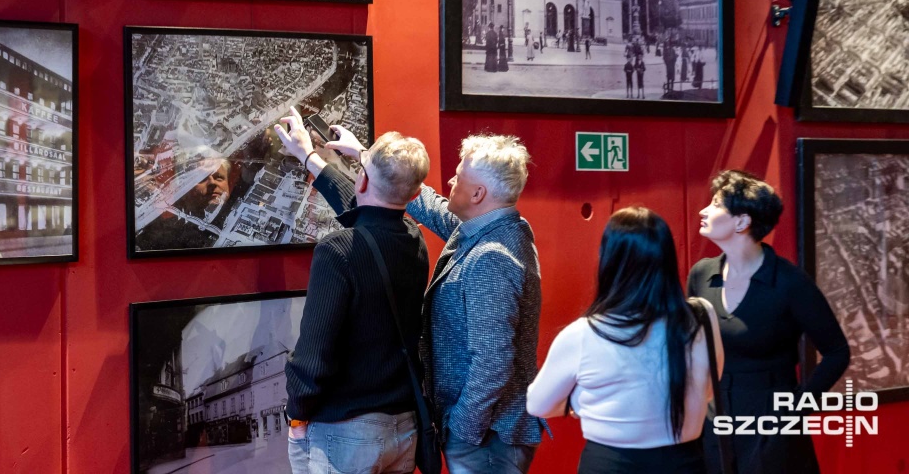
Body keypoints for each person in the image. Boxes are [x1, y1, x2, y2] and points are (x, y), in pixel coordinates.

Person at [274, 108, 432, 474]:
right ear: (416, 192)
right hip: (404, 428)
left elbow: (314, 356)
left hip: (347, 434)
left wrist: (296, 416)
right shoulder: (415, 239)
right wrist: (309, 157)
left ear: (361, 180)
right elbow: (373, 210)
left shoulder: (337, 251)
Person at [528, 208, 722, 474]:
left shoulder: (583, 334)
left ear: (609, 262)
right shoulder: (702, 315)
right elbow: (710, 385)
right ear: (666, 259)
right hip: (686, 462)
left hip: (610, 464)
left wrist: (579, 402)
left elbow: (538, 404)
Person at [687, 171, 851, 474]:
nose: (703, 211)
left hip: (771, 416)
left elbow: (837, 351)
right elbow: (690, 344)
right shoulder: (701, 274)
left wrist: (798, 406)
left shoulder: (789, 282)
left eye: (715, 204)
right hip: (715, 413)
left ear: (742, 222)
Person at [406, 134, 547, 473]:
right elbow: (436, 210)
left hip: (486, 440)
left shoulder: (491, 257)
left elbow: (493, 361)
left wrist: (463, 430)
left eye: (458, 176)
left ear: (478, 194)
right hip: (486, 437)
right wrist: (367, 157)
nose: (451, 181)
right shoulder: (498, 228)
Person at [134, 153, 231, 251]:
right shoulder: (166, 228)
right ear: (185, 187)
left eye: (219, 178)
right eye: (202, 179)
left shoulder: (237, 213)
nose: (212, 183)